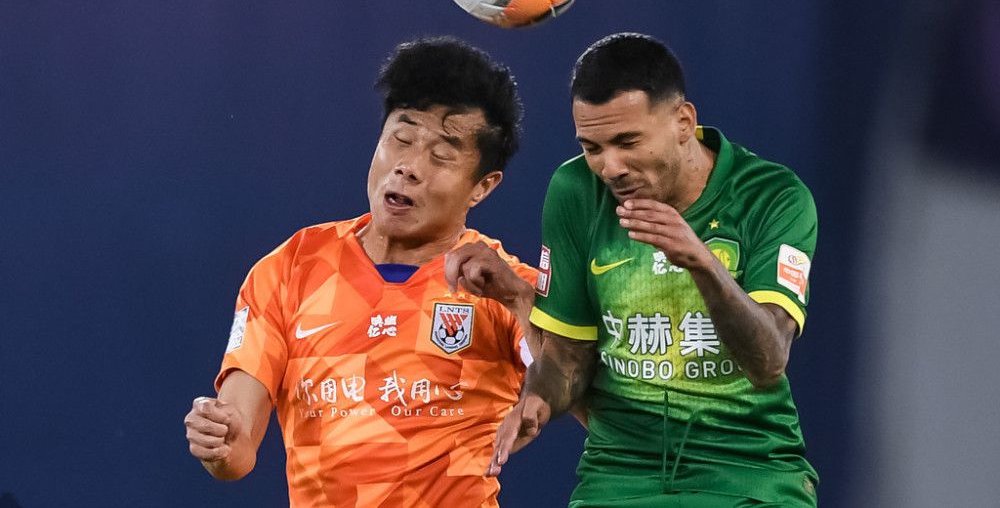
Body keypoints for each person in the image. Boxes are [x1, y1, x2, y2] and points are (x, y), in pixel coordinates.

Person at [183, 37, 540, 507]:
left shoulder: (505, 287)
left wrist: (518, 300)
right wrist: (220, 439)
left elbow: (567, 382)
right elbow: (238, 448)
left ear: (482, 187)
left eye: (442, 155)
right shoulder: (289, 270)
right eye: (401, 138)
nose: (408, 167)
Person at [489, 33, 819, 507]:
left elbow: (768, 360)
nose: (610, 166)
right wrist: (539, 400)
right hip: (620, 474)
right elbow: (567, 357)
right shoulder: (575, 191)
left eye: (627, 142)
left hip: (749, 473)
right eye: (592, 146)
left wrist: (701, 262)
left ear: (683, 121)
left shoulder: (774, 197)